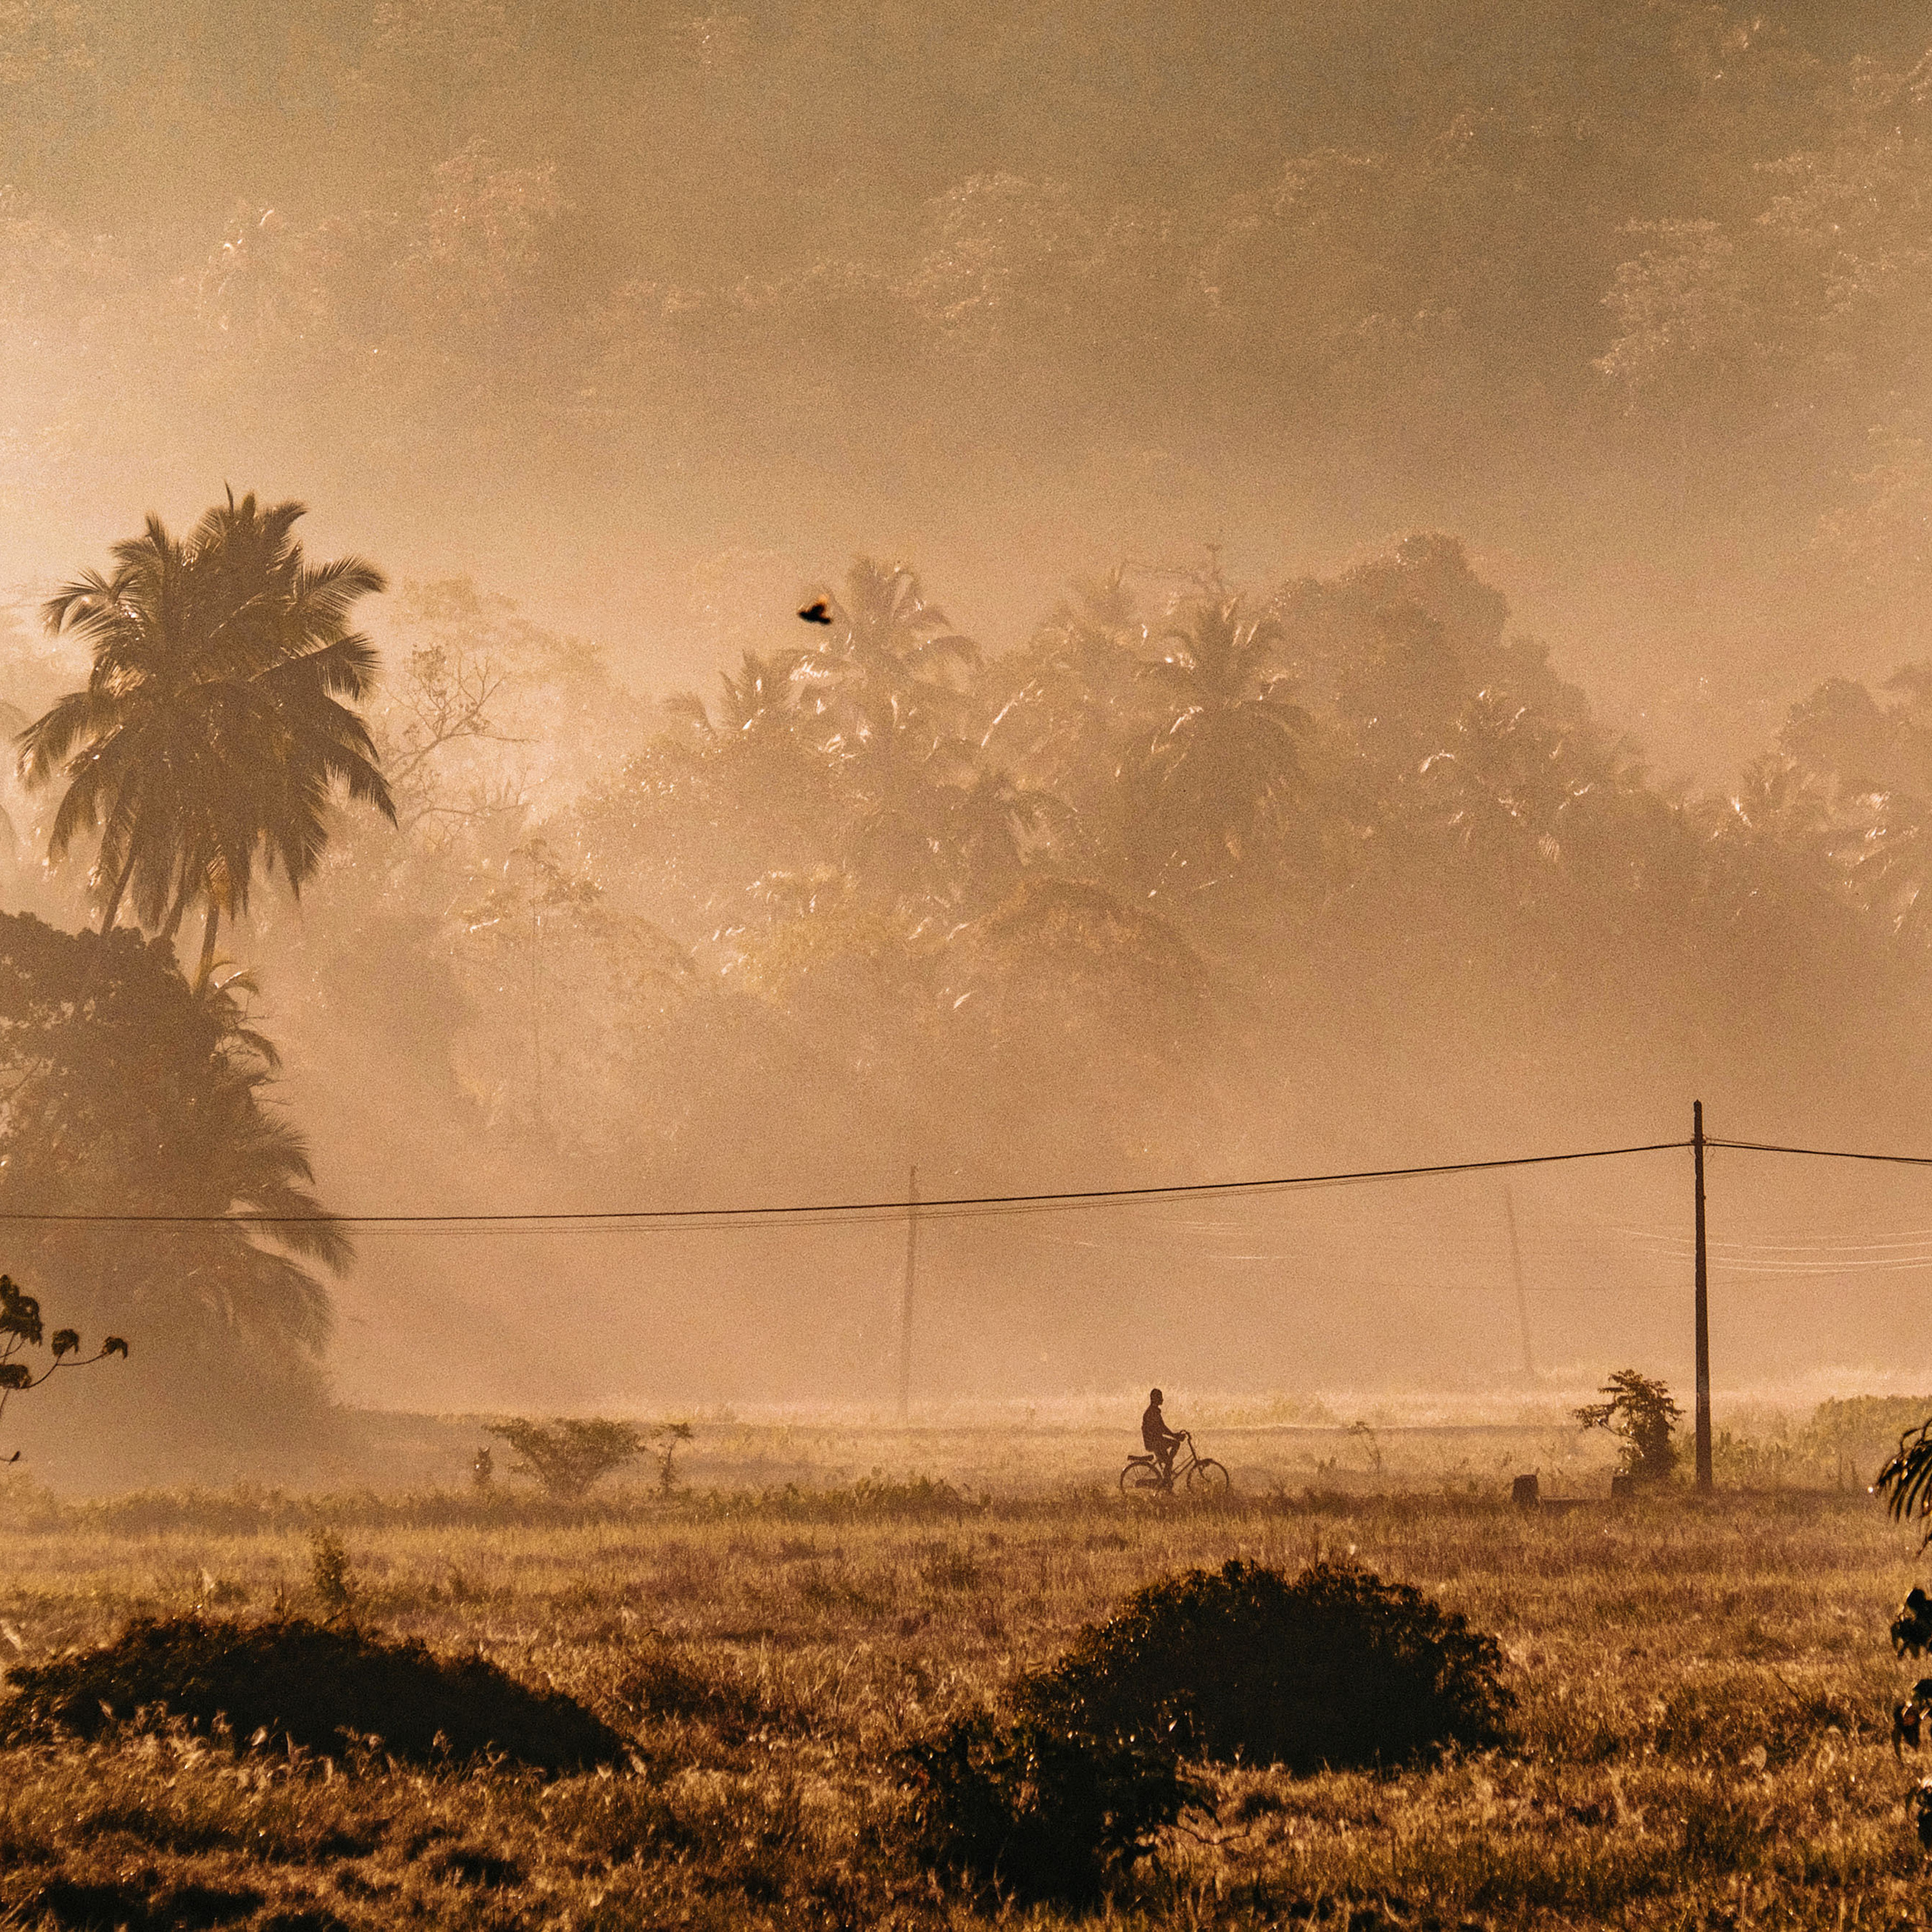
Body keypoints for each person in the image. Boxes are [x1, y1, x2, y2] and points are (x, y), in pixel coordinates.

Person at [1141, 1387, 1184, 1484]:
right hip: (1154, 1442)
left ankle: (1167, 1481)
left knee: (1169, 1460)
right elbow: (1161, 1428)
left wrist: (1174, 1435)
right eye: (1160, 1397)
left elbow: (1162, 1428)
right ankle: (1166, 1477)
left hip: (1156, 1441)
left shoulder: (1154, 1411)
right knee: (1175, 1447)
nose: (1162, 1399)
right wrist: (1175, 1436)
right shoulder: (1153, 1412)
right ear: (1154, 1399)